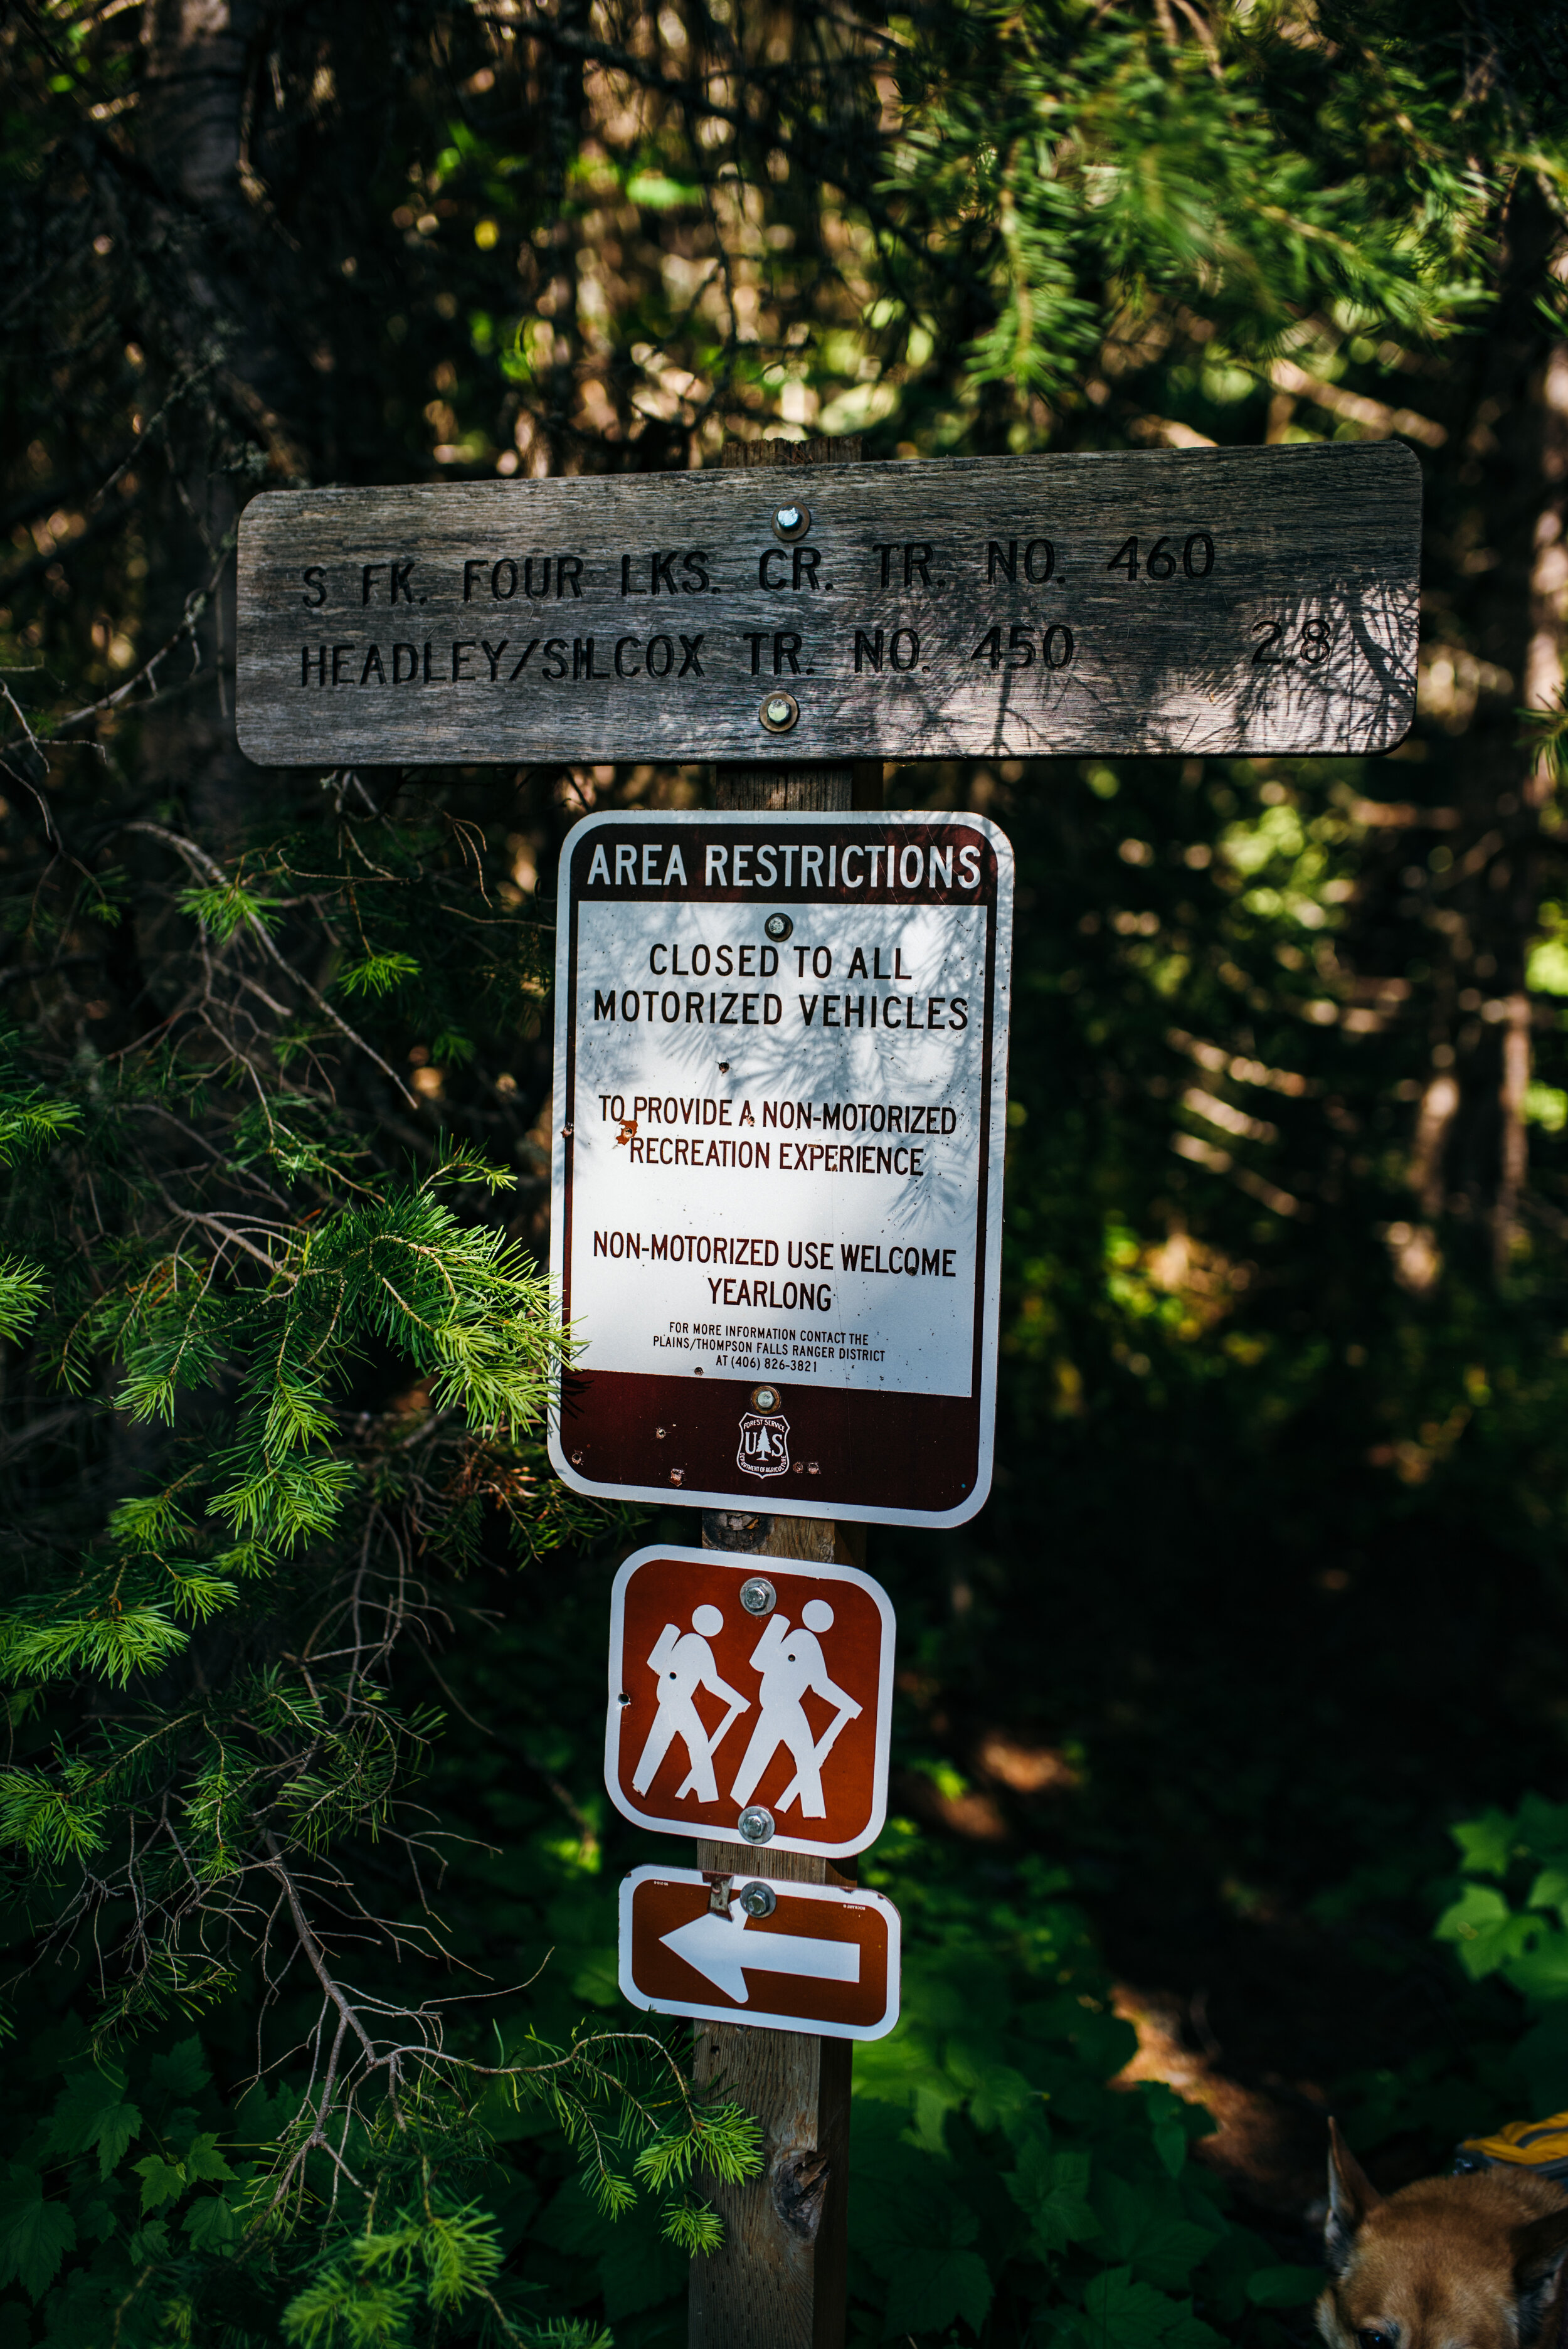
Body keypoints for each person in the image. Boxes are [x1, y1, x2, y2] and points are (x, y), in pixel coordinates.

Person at [729, 1599, 861, 1820]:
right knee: (774, 1759)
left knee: (803, 1760)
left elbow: (820, 1684)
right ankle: (810, 1814)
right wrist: (777, 1625)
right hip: (776, 1710)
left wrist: (849, 1705)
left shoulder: (806, 1641)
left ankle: (812, 1815)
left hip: (786, 1710)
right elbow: (759, 1662)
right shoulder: (797, 1638)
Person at [632, 1603, 750, 1805]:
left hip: (669, 1697)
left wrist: (736, 1699)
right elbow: (711, 1682)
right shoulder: (698, 1645)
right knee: (698, 1742)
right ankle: (707, 1796)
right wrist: (736, 1699)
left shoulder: (687, 1640)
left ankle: (641, 1786)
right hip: (678, 1700)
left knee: (660, 1742)